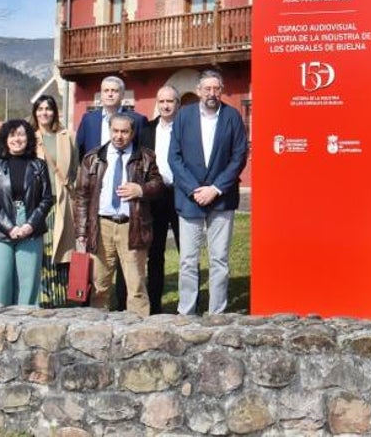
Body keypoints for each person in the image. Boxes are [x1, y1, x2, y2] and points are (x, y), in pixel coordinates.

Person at [169, 69, 249, 315]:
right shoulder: (183, 116)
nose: (212, 93)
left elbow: (239, 156)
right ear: (199, 90)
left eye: (216, 89)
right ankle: (187, 312)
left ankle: (217, 313)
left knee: (219, 260)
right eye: (207, 89)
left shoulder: (232, 117)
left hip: (221, 199)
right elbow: (175, 157)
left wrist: (215, 189)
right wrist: (195, 189)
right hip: (189, 199)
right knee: (188, 261)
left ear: (221, 91)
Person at [73, 112, 163, 315]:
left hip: (132, 226)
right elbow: (82, 196)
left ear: (132, 133)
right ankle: (96, 334)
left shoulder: (146, 157)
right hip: (101, 226)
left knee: (136, 286)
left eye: (124, 132)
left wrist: (141, 190)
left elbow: (158, 185)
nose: (119, 136)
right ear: (109, 130)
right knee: (99, 284)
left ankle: (139, 334)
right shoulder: (93, 158)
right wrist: (81, 231)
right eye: (115, 131)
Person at [0, 119, 54, 306]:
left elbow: (46, 199)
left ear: (28, 138)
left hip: (30, 227)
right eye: (12, 135)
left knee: (28, 285)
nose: (17, 139)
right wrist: (9, 228)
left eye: (21, 134)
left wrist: (30, 225)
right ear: (5, 138)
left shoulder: (39, 165)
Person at [137, 85, 181, 313]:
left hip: (181, 196)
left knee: (187, 252)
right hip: (155, 197)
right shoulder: (146, 130)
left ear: (177, 104)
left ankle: (187, 305)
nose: (165, 106)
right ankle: (154, 306)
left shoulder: (185, 129)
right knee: (155, 253)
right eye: (162, 101)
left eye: (170, 101)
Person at [32, 94, 79, 308]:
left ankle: (63, 298)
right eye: (40, 109)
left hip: (61, 200)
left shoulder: (65, 136)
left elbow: (75, 169)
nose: (44, 112)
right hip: (39, 202)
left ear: (54, 112)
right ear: (35, 112)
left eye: (48, 108)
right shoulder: (30, 138)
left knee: (62, 251)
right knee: (43, 250)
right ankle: (43, 299)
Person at [75, 75, 146, 157]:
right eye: (106, 91)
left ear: (122, 95)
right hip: (95, 168)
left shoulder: (138, 120)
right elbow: (79, 150)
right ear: (101, 94)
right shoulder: (88, 120)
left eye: (114, 91)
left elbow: (144, 152)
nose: (110, 94)